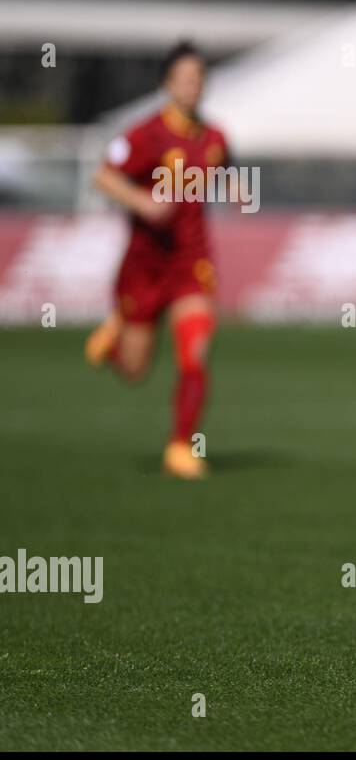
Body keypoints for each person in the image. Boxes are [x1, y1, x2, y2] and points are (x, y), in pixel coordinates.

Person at [85, 41, 228, 480]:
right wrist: (141, 202)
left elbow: (223, 180)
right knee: (134, 371)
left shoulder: (215, 139)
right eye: (184, 78)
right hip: (144, 267)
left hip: (191, 262)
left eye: (199, 78)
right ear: (168, 84)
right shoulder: (144, 134)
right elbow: (102, 176)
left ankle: (180, 447)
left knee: (195, 352)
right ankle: (114, 339)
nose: (192, 86)